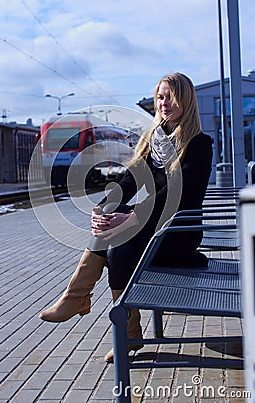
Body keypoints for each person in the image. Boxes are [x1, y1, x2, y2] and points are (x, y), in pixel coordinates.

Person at [39, 72, 213, 363]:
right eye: (160, 97)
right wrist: (103, 208)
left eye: (170, 96)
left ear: (186, 100)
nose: (164, 103)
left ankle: (100, 313)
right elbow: (131, 181)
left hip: (178, 232)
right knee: (110, 230)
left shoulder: (199, 144)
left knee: (119, 241)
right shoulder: (153, 141)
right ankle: (92, 307)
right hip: (151, 227)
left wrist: (133, 219)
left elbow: (180, 196)